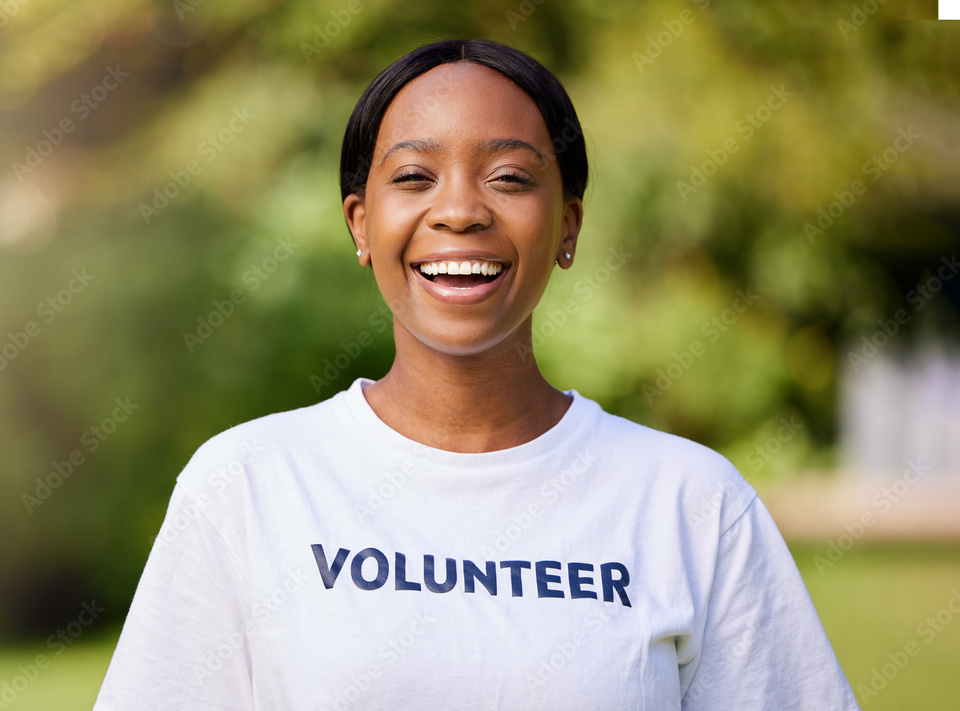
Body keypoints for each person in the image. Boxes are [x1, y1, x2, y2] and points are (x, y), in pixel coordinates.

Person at [93, 39, 860, 710]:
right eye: (415, 177)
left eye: (510, 178)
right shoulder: (247, 485)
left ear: (567, 225)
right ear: (361, 223)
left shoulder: (693, 504)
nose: (459, 210)